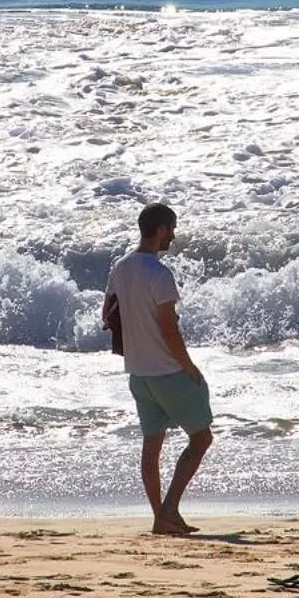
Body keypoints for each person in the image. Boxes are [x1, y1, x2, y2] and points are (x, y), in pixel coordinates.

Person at [103, 202, 213, 537]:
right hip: (168, 372)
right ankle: (169, 509)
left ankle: (161, 518)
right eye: (172, 228)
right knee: (202, 437)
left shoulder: (120, 267)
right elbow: (169, 330)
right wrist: (189, 366)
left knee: (152, 446)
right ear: (161, 228)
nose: (174, 235)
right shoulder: (159, 274)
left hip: (138, 374)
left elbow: (108, 314)